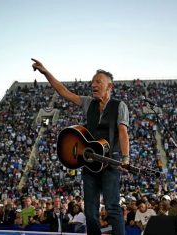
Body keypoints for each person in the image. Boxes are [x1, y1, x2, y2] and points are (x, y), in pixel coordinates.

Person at [32, 58, 130, 235]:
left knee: (112, 208)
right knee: (91, 213)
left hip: (110, 161)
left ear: (110, 86)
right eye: (92, 81)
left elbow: (123, 132)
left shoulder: (119, 106)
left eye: (98, 81)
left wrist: (125, 158)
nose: (93, 84)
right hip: (90, 163)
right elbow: (63, 91)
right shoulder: (87, 102)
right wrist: (45, 72)